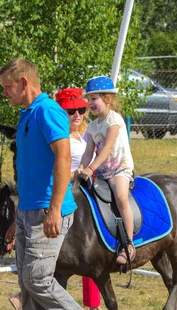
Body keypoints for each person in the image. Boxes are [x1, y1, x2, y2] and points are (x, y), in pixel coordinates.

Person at [0, 59, 107, 310]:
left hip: (48, 210)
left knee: (36, 278)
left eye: (8, 87)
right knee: (28, 283)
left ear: (23, 83)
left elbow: (63, 158)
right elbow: (32, 170)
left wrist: (55, 208)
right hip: (29, 211)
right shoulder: (28, 114)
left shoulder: (48, 111)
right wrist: (17, 215)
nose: (5, 93)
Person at [8, 87, 116, 310]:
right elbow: (56, 169)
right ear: (61, 111)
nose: (77, 115)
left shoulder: (83, 135)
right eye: (70, 110)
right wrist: (75, 175)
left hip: (89, 190)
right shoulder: (58, 134)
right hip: (67, 198)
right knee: (80, 253)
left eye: (80, 109)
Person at [76, 76, 135, 264]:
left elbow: (108, 147)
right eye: (89, 99)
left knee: (121, 197)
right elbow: (88, 152)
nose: (90, 103)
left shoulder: (114, 120)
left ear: (107, 99)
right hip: (102, 172)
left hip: (119, 168)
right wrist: (82, 167)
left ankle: (129, 244)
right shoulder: (92, 126)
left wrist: (91, 168)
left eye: (94, 99)